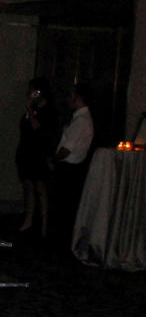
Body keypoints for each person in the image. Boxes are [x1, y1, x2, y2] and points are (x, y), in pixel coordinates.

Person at [51, 81, 95, 252]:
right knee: (64, 209)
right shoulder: (79, 118)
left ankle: (61, 247)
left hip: (69, 170)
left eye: (71, 95)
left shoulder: (82, 120)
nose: (68, 99)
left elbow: (66, 149)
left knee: (64, 209)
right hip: (69, 169)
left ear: (78, 98)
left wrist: (53, 160)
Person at [15, 76, 59, 237]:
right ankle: (29, 221)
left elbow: (38, 128)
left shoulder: (49, 111)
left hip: (39, 153)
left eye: (31, 90)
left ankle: (44, 226)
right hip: (26, 152)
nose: (28, 93)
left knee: (40, 188)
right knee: (28, 187)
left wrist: (30, 110)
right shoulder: (34, 109)